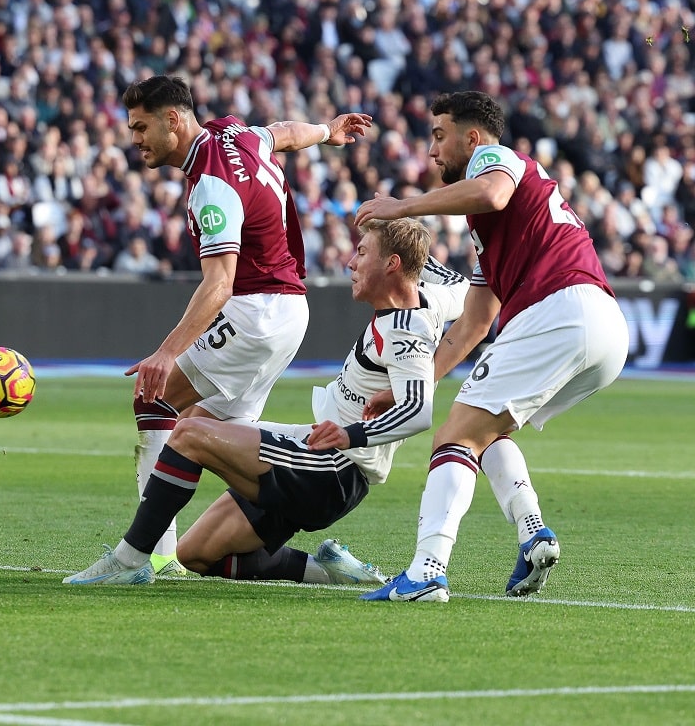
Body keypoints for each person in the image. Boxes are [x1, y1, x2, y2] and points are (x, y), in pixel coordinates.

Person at [64, 218, 468, 586]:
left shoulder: (403, 330)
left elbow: (418, 412)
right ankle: (329, 570)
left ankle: (130, 559)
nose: (351, 262)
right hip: (317, 457)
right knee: (196, 554)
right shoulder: (431, 299)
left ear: (392, 264)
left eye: (362, 252)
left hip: (330, 470)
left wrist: (349, 434)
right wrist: (402, 218)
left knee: (187, 433)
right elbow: (470, 288)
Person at [355, 91, 629, 602]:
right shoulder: (492, 234)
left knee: (452, 438)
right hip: (604, 329)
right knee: (483, 428)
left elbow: (492, 192)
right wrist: (414, 385)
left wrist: (404, 208)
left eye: (439, 136)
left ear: (472, 137)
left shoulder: (496, 160)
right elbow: (473, 324)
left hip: (559, 310)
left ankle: (426, 571)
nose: (432, 151)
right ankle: (532, 534)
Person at [113, 75, 372, 576]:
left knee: (155, 396)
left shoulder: (211, 183)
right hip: (288, 311)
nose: (135, 139)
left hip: (255, 310)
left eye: (142, 127)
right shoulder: (236, 134)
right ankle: (319, 562)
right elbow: (283, 133)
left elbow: (219, 283)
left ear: (174, 119)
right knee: (226, 437)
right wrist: (327, 130)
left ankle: (148, 556)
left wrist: (167, 351)